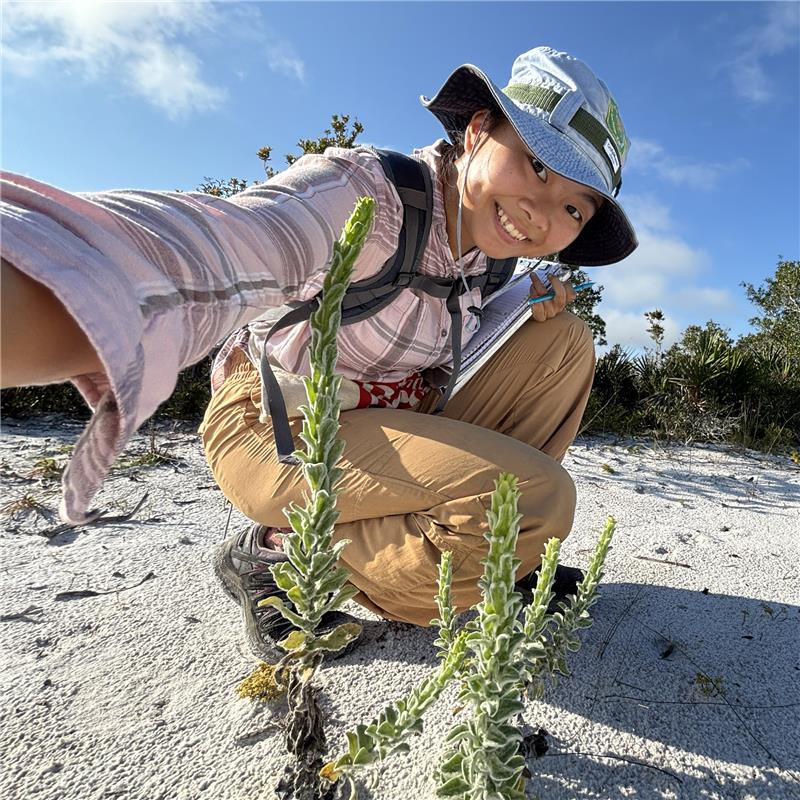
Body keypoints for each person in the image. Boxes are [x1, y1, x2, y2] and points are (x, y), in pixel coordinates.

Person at [1, 46, 636, 661]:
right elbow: (226, 244)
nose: (542, 212)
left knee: (562, 342)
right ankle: (278, 555)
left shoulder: (493, 263)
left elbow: (459, 351)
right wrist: (53, 275)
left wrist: (524, 297)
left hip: (383, 418)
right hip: (274, 425)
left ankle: (497, 551)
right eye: (538, 167)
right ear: (476, 130)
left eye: (574, 208)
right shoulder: (365, 194)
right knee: (534, 499)